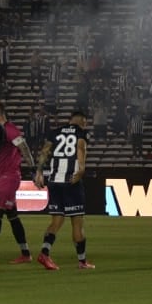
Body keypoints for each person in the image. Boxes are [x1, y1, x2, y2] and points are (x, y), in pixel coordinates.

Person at [34, 110, 93, 270]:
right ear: (83, 121)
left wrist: (39, 171)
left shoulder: (55, 132)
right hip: (71, 181)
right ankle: (82, 261)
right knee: (77, 223)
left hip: (54, 181)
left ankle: (44, 253)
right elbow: (80, 148)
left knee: (56, 221)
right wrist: (81, 169)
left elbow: (45, 151)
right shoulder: (81, 132)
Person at [0, 101, 34, 264]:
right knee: (12, 216)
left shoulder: (10, 129)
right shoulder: (0, 131)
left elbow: (24, 148)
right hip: (2, 177)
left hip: (8, 178)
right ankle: (25, 253)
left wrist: (33, 169)